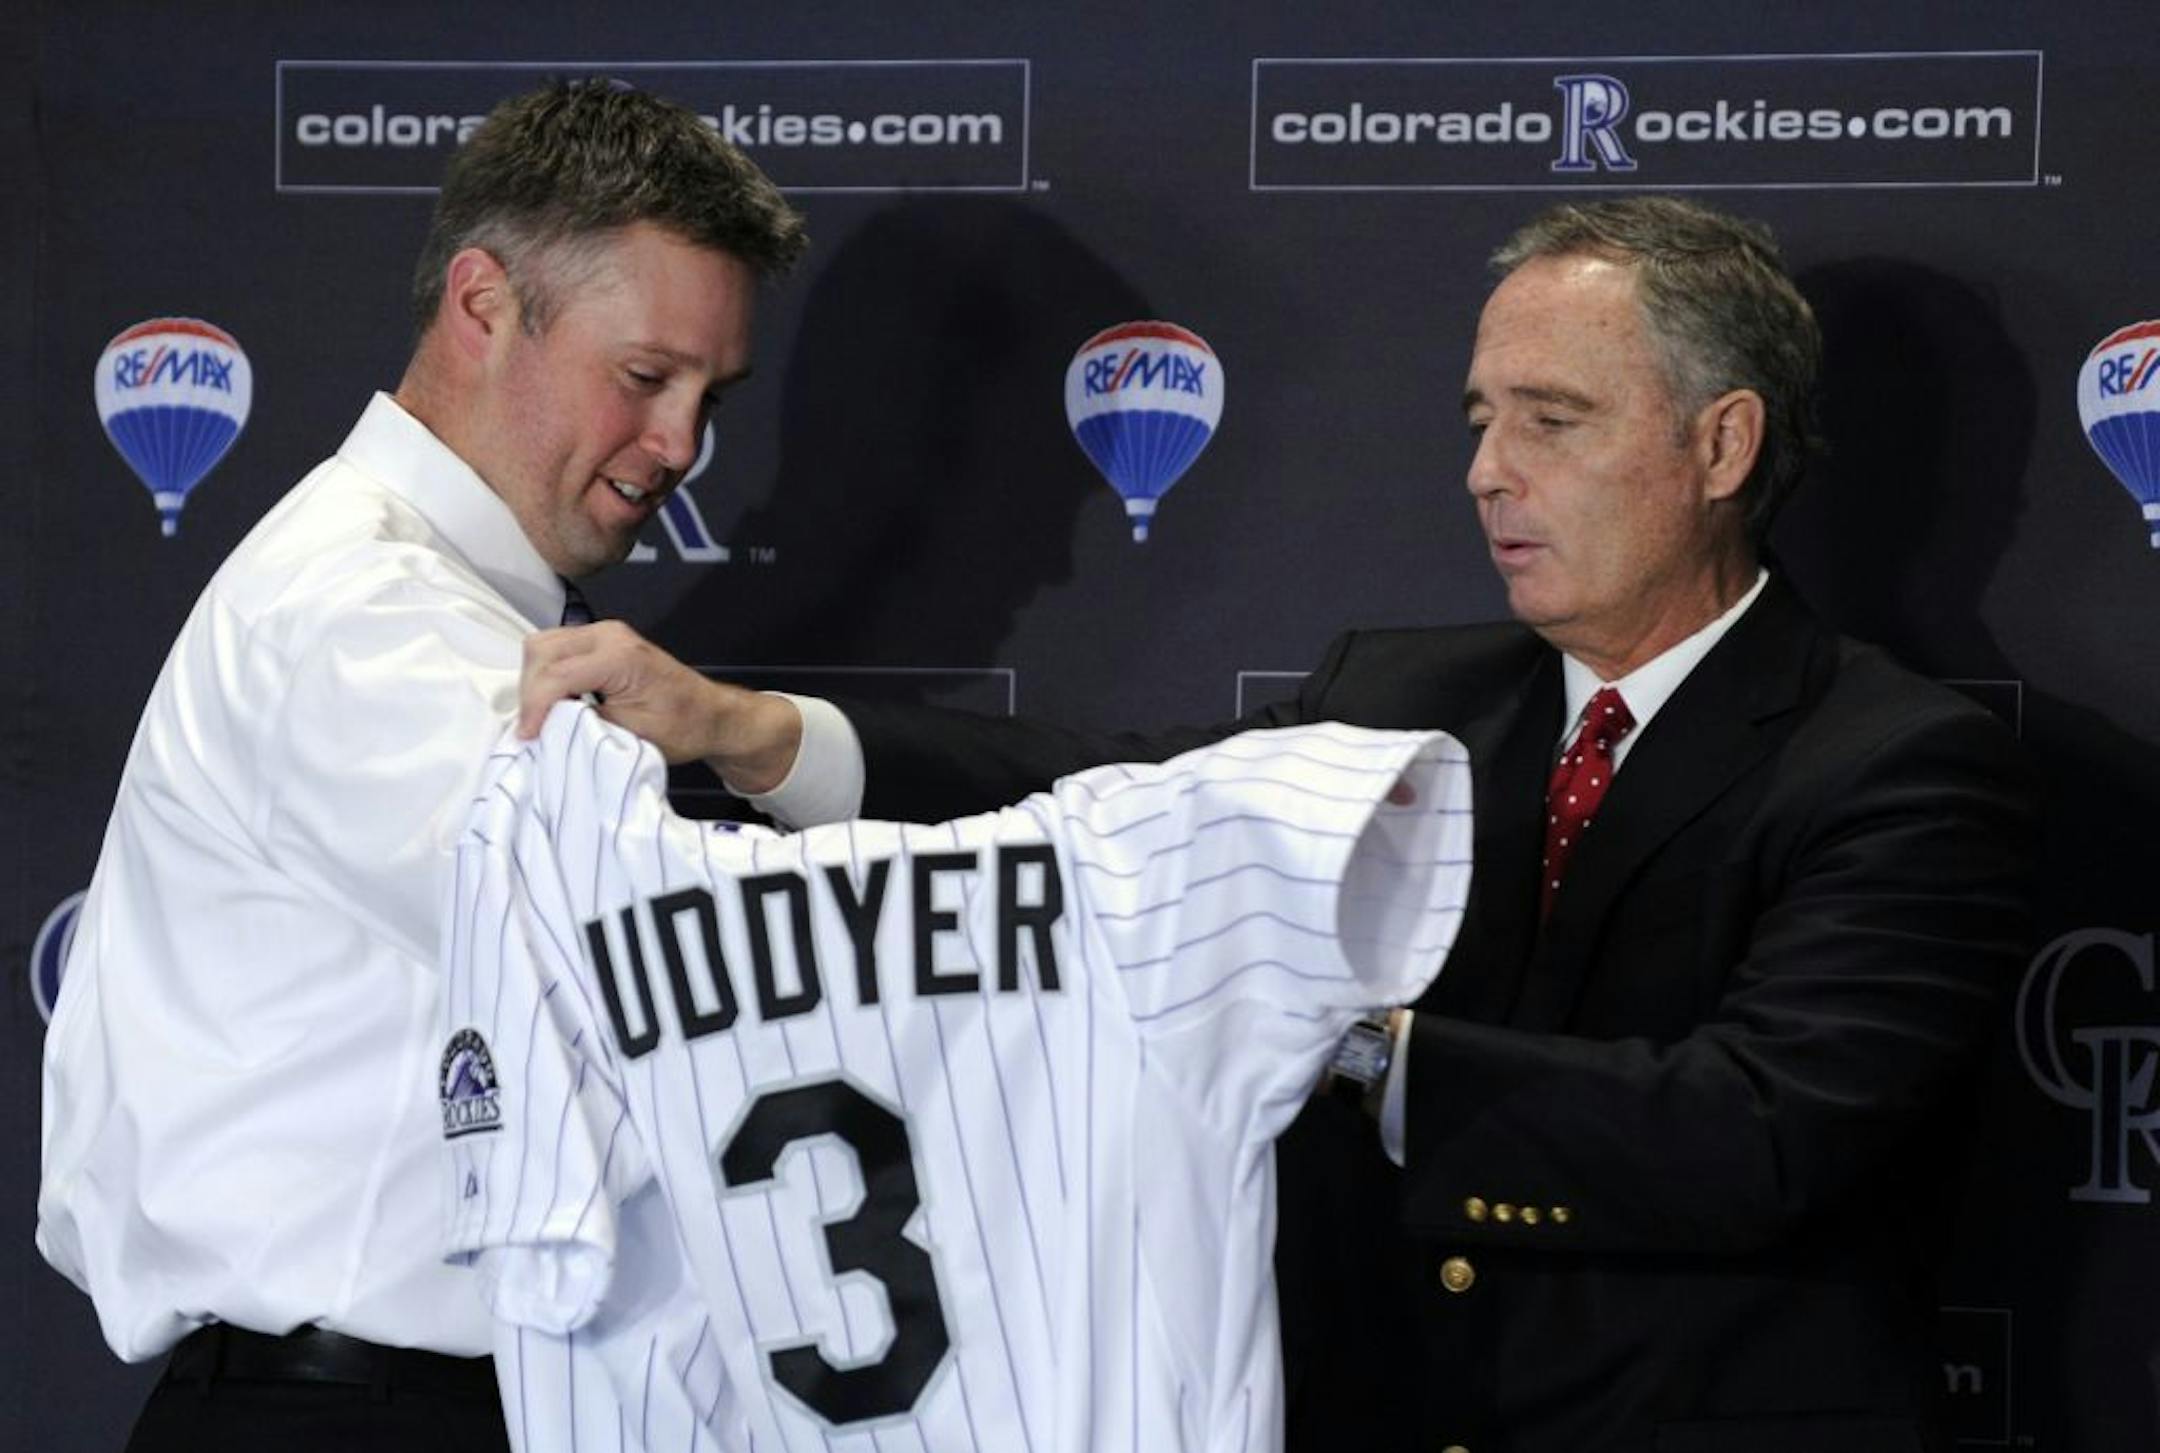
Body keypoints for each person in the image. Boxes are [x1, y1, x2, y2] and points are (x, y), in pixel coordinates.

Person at [522, 196, 2037, 1452]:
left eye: (1552, 420)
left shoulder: (1899, 763)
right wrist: (756, 733)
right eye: (1478, 418)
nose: (1485, 471)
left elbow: (1751, 1131)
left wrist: (1356, 1040)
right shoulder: (1396, 692)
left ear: (1721, 447)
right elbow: (1095, 796)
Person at [38, 79, 805, 1452]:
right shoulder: (363, 611)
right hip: (354, 1412)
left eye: (709, 393)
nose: (684, 445)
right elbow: (650, 948)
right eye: (645, 377)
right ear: (482, 306)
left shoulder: (436, 604)